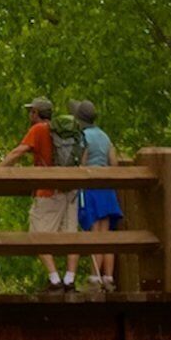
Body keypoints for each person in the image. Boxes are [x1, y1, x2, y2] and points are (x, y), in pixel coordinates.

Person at [1, 98, 67, 291]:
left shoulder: (38, 129)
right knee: (68, 237)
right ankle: (68, 279)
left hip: (46, 192)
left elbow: (18, 152)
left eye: (31, 111)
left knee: (36, 236)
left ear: (36, 113)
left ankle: (55, 280)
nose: (29, 115)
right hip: (66, 191)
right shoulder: (58, 131)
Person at [70, 100, 121, 288]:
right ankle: (108, 276)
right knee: (106, 233)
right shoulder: (105, 137)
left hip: (91, 187)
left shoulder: (83, 136)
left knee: (94, 231)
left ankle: (95, 276)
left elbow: (82, 163)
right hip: (107, 187)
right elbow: (114, 163)